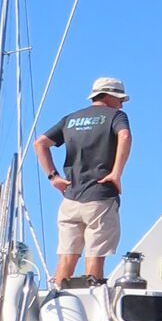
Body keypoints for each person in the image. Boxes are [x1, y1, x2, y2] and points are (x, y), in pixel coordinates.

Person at [35, 77, 132, 286]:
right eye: (120, 99)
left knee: (67, 256)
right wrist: (116, 173)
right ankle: (92, 295)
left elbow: (40, 143)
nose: (122, 104)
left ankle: (58, 299)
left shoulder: (70, 119)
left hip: (70, 199)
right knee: (95, 254)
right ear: (108, 96)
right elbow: (124, 136)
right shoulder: (116, 116)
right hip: (100, 196)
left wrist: (54, 177)